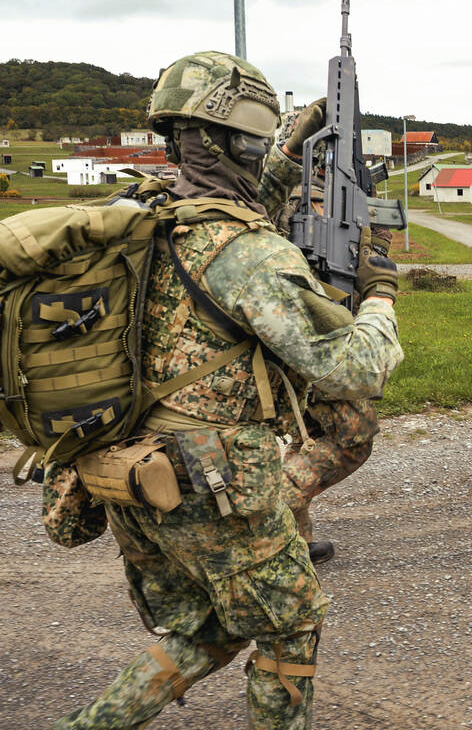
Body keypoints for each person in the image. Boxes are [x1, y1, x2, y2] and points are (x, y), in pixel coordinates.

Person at [49, 51, 403, 729]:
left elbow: (238, 197)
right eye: (258, 141)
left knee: (207, 627)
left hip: (126, 468)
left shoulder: (140, 218)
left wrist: (295, 144)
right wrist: (381, 295)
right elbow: (355, 370)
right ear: (240, 141)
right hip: (211, 482)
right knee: (291, 628)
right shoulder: (247, 253)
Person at [264, 102, 390, 566]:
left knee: (310, 434)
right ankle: (267, 517)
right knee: (354, 434)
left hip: (289, 336)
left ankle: (293, 541)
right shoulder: (312, 202)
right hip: (312, 337)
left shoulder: (289, 196)